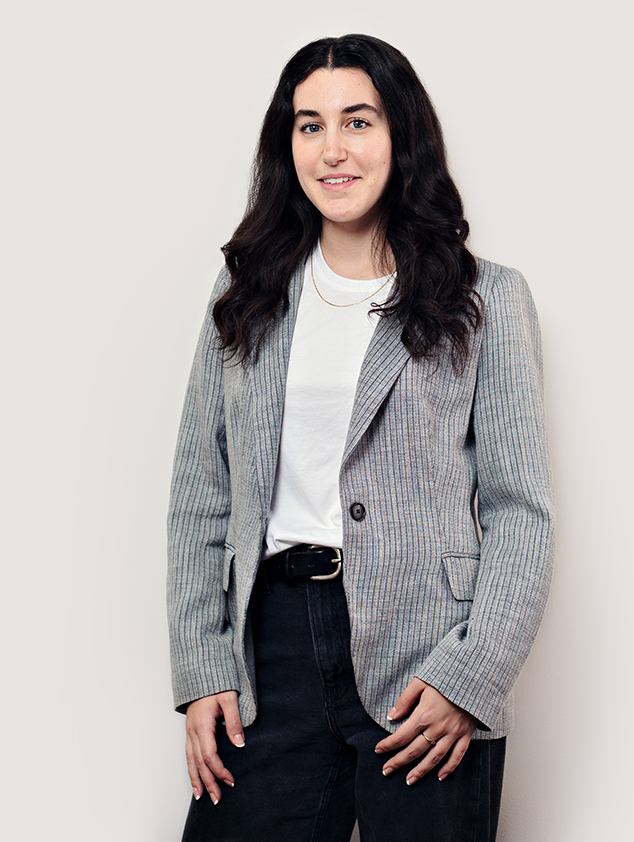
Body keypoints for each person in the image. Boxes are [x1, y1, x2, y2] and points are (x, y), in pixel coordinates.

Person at [167, 33, 555, 842]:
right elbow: (201, 495)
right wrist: (203, 670)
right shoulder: (247, 293)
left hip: (427, 656)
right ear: (287, 145)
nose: (332, 150)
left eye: (358, 121)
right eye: (309, 125)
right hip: (267, 650)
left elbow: (522, 511)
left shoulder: (486, 298)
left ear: (401, 135)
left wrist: (470, 677)